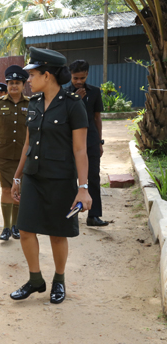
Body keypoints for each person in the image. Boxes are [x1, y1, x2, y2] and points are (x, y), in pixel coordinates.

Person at [10, 47, 91, 305]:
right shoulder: (33, 104)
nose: (28, 81)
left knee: (58, 233)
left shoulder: (73, 106)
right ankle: (36, 280)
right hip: (34, 176)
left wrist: (83, 187)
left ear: (47, 75)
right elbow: (27, 144)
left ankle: (59, 279)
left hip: (61, 178)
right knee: (25, 230)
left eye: (32, 75)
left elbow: (80, 149)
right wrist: (17, 176)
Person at [0, 65, 30, 241]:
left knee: (19, 190)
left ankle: (16, 225)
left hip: (23, 155)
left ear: (23, 85)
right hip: (2, 155)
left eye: (17, 83)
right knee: (6, 189)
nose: (13, 86)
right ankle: (5, 227)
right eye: (11, 83)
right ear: (7, 84)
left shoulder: (31, 104)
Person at [68, 60, 108, 227]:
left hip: (90, 141)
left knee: (93, 178)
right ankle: (70, 214)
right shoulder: (63, 93)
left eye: (82, 78)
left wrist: (99, 142)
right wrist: (76, 99)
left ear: (87, 75)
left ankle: (94, 216)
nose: (78, 81)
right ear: (70, 75)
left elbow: (97, 118)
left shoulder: (95, 92)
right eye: (75, 77)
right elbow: (65, 117)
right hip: (70, 143)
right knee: (69, 179)